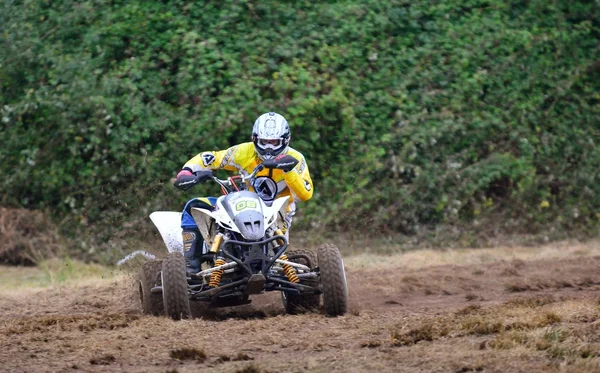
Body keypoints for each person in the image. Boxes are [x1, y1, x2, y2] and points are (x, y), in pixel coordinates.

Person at [173, 112, 314, 273]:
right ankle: (191, 270)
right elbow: (211, 158)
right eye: (264, 142)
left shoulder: (296, 159)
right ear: (255, 139)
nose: (268, 147)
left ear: (285, 140)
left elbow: (305, 194)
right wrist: (187, 170)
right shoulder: (245, 151)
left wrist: (289, 171)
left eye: (274, 142)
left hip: (277, 216)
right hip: (244, 207)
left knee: (275, 264)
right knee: (193, 206)